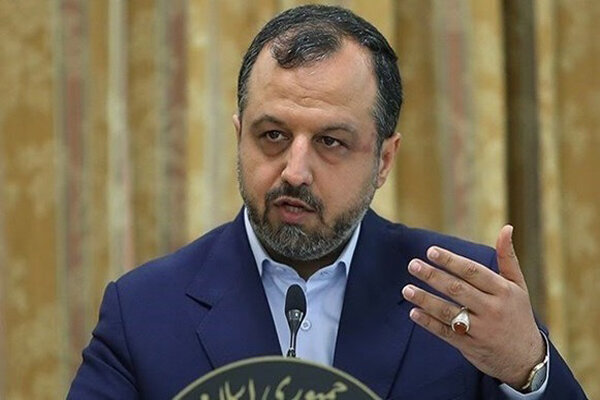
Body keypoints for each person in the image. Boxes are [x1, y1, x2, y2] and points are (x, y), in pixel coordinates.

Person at [68, 5, 586, 399]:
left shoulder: (462, 294)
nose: (295, 171)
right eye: (272, 135)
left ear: (384, 159)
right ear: (239, 136)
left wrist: (527, 366)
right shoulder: (143, 312)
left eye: (331, 142)